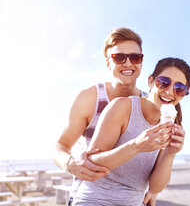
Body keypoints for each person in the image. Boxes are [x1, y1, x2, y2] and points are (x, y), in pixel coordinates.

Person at [53, 27, 158, 205]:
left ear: (141, 62)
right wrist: (70, 164)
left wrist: (153, 191)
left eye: (135, 57)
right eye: (119, 57)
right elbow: (60, 145)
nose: (127, 63)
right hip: (89, 197)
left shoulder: (149, 103)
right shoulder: (90, 98)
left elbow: (155, 155)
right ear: (108, 63)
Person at [72, 57, 190, 206]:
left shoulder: (170, 124)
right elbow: (92, 162)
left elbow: (155, 187)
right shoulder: (122, 107)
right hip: (95, 200)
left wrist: (170, 154)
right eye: (164, 82)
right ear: (150, 81)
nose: (169, 91)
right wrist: (136, 146)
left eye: (179, 88)